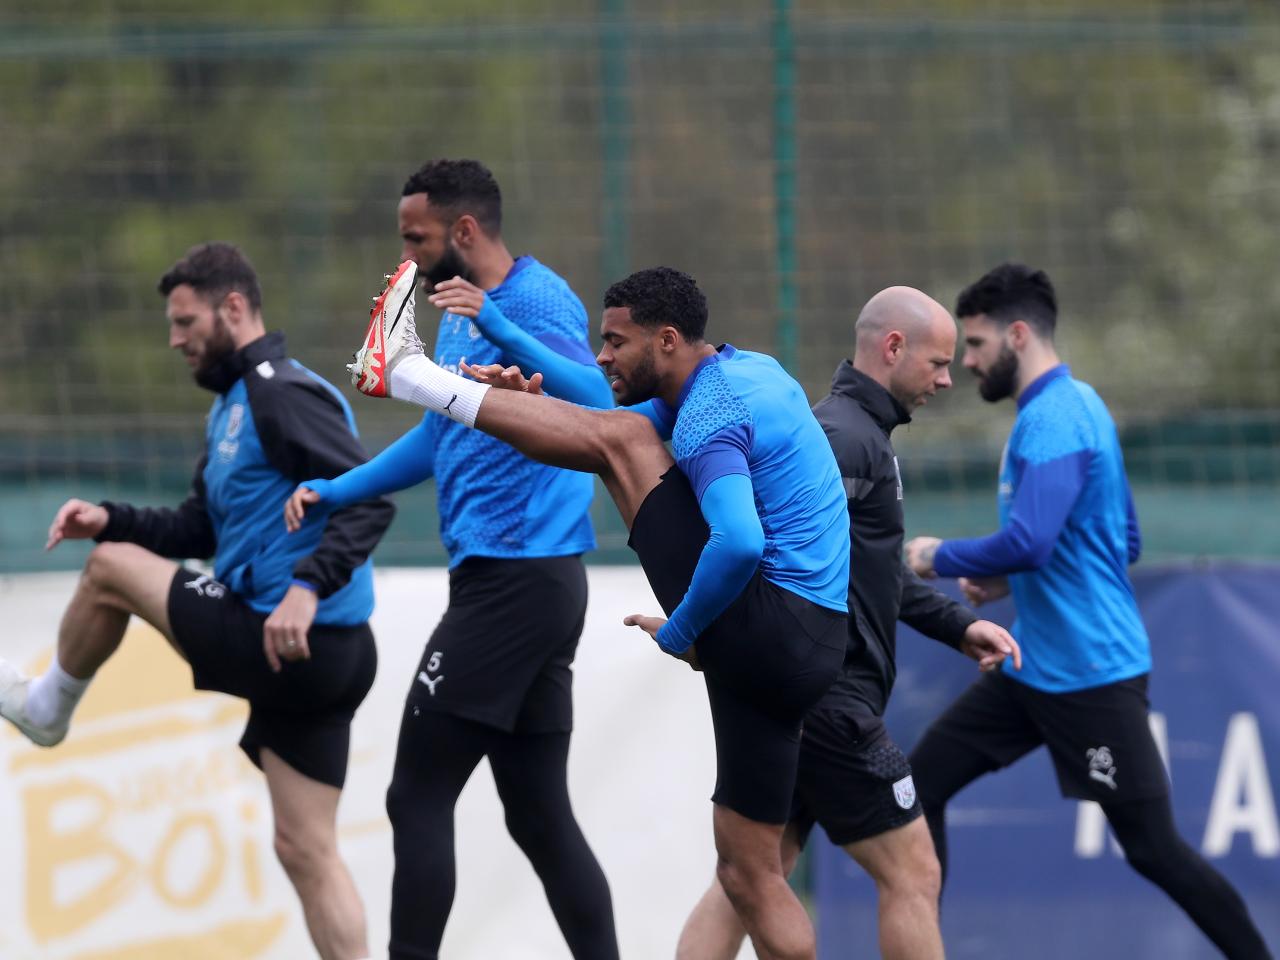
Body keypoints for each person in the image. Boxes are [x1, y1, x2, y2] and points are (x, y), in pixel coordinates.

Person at [304, 262, 851, 960]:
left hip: (767, 628)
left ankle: (411, 376)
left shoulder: (711, 413)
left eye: (616, 341)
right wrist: (522, 404)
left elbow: (738, 541)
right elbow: (597, 417)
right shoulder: (747, 372)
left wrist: (683, 632)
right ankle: (418, 379)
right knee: (750, 873)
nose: (601, 355)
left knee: (621, 445)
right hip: (812, 645)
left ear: (667, 340)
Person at [0, 243, 394, 960]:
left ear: (232, 308)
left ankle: (46, 708)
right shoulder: (232, 406)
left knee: (109, 571)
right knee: (306, 850)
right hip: (318, 653)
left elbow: (367, 500)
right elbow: (199, 530)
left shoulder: (280, 393)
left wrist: (305, 588)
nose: (175, 340)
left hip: (292, 637)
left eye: (185, 322)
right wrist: (110, 517)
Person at [286, 159, 621, 960]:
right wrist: (338, 489)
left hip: (516, 582)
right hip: (524, 585)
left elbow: (598, 403)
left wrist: (500, 327)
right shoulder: (454, 310)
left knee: (415, 796)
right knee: (538, 816)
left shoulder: (534, 299)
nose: (406, 254)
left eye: (417, 237)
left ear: (463, 230)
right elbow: (441, 434)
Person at [904, 263, 1271, 960]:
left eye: (976, 344)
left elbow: (1033, 540)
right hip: (1032, 667)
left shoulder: (1054, 420)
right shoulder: (1081, 406)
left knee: (1155, 850)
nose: (967, 362)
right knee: (919, 790)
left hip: (1092, 678)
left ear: (1018, 334)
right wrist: (1009, 578)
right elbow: (1120, 537)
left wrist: (936, 556)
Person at [676, 286, 1021, 960]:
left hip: (805, 695)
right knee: (913, 872)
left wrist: (957, 626)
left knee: (751, 878)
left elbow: (874, 568)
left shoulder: (860, 437)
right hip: (830, 700)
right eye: (937, 363)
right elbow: (758, 542)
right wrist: (704, 625)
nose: (946, 380)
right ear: (893, 348)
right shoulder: (842, 438)